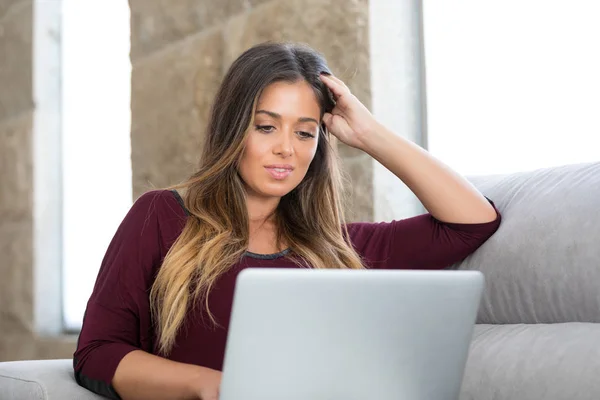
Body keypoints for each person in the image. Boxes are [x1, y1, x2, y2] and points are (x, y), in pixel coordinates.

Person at [73, 42, 501, 400]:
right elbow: (97, 352)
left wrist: (370, 134)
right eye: (266, 127)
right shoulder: (163, 217)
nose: (286, 149)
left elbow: (472, 222)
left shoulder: (337, 249)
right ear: (234, 129)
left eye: (304, 132)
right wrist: (211, 386)